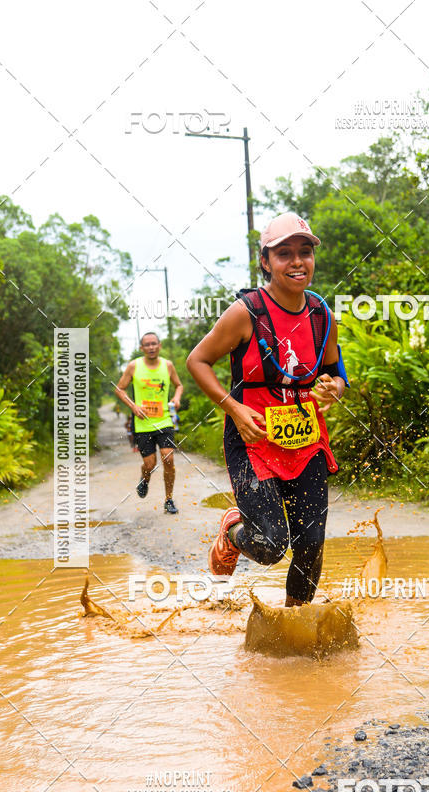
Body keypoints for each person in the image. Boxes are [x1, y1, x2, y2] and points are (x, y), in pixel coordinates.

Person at [186, 212, 348, 606]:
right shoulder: (246, 312)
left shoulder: (321, 315)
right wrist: (234, 409)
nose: (297, 262)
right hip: (253, 439)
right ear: (265, 262)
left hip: (304, 438)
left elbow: (334, 371)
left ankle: (295, 624)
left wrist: (335, 388)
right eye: (284, 254)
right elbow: (197, 361)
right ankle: (231, 531)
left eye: (304, 252)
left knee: (311, 543)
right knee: (272, 544)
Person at [115, 331, 183, 514]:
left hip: (164, 421)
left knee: (168, 458)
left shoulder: (167, 366)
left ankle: (169, 499)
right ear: (141, 348)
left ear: (159, 345)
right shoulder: (133, 366)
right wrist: (133, 407)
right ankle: (145, 478)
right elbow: (120, 389)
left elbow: (179, 385)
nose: (151, 347)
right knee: (150, 464)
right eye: (147, 344)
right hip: (143, 424)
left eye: (154, 344)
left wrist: (177, 397)